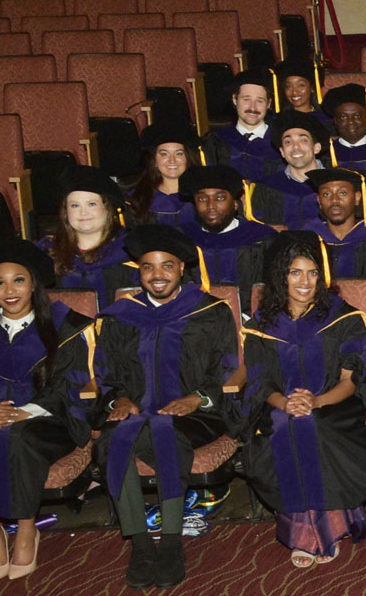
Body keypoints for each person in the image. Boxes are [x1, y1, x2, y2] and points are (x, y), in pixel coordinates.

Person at [93, 224, 239, 589]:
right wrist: (119, 398)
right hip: (135, 412)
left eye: (167, 266)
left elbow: (227, 367)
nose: (157, 275)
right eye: (148, 267)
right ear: (139, 271)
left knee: (167, 438)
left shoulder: (209, 312)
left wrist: (197, 397)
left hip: (195, 414)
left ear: (181, 269)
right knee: (113, 443)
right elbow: (105, 371)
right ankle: (141, 544)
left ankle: (171, 542)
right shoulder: (121, 315)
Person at [0, 238, 92, 582]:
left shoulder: (63, 328)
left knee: (19, 439)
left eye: (18, 280)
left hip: (49, 422)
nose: (9, 291)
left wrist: (28, 411)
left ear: (34, 284)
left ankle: (25, 527)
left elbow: (70, 383)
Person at [238, 232, 366, 568]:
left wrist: (317, 401)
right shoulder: (261, 326)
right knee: (286, 426)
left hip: (334, 406)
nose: (305, 282)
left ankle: (319, 533)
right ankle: (312, 533)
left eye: (313, 273)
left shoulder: (343, 318)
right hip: (279, 406)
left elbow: (350, 381)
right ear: (281, 276)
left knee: (313, 426)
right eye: (295, 272)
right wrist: (284, 403)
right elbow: (258, 381)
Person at [42, 165, 136, 307]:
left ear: (107, 208)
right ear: (66, 212)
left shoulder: (130, 252)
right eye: (75, 206)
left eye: (91, 204)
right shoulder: (49, 252)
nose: (83, 212)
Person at [178, 165, 275, 296]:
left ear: (235, 204)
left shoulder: (261, 239)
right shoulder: (182, 240)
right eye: (202, 199)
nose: (211, 206)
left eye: (220, 198)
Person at [297, 168, 366, 283]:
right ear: (319, 201)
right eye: (326, 194)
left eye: (342, 193)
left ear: (357, 198)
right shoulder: (306, 240)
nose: (334, 200)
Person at [249, 110, 331, 228]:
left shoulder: (335, 184)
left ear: (316, 148)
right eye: (288, 142)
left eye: (303, 140)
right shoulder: (266, 188)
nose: (295, 147)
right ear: (282, 151)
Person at [202, 68, 280, 181]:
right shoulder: (216, 142)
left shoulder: (281, 140)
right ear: (234, 100)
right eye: (246, 99)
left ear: (269, 104)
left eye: (259, 101)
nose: (252, 107)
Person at [126, 124, 201, 228]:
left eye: (179, 153)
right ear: (155, 161)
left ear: (187, 159)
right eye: (164, 154)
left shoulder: (203, 197)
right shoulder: (137, 199)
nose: (172, 160)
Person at [321, 84, 366, 173]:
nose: (350, 122)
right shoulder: (325, 154)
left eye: (357, 116)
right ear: (335, 121)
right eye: (343, 117)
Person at [274, 59, 329, 127]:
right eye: (288, 86)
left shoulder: (325, 119)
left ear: (312, 88)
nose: (294, 92)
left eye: (301, 85)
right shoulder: (279, 121)